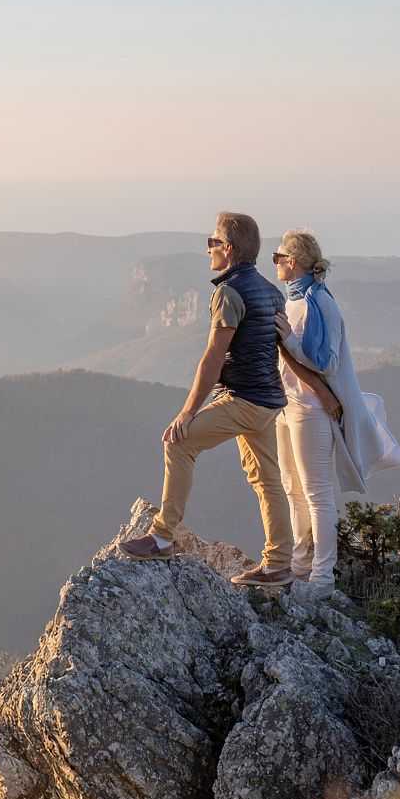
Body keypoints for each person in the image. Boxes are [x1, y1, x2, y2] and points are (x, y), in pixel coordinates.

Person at [120, 212, 295, 586]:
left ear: (228, 250)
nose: (208, 249)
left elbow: (214, 357)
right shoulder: (270, 291)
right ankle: (279, 563)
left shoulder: (228, 293)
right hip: (269, 401)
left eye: (212, 242)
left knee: (178, 444)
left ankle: (163, 537)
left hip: (244, 400)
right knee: (267, 480)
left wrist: (187, 412)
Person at [273, 229, 400, 601]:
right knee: (292, 488)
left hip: (311, 410)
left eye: (279, 257)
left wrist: (288, 341)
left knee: (316, 493)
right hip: (286, 406)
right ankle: (300, 564)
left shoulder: (320, 304)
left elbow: (325, 361)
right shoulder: (295, 301)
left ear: (294, 261)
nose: (277, 264)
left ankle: (322, 578)